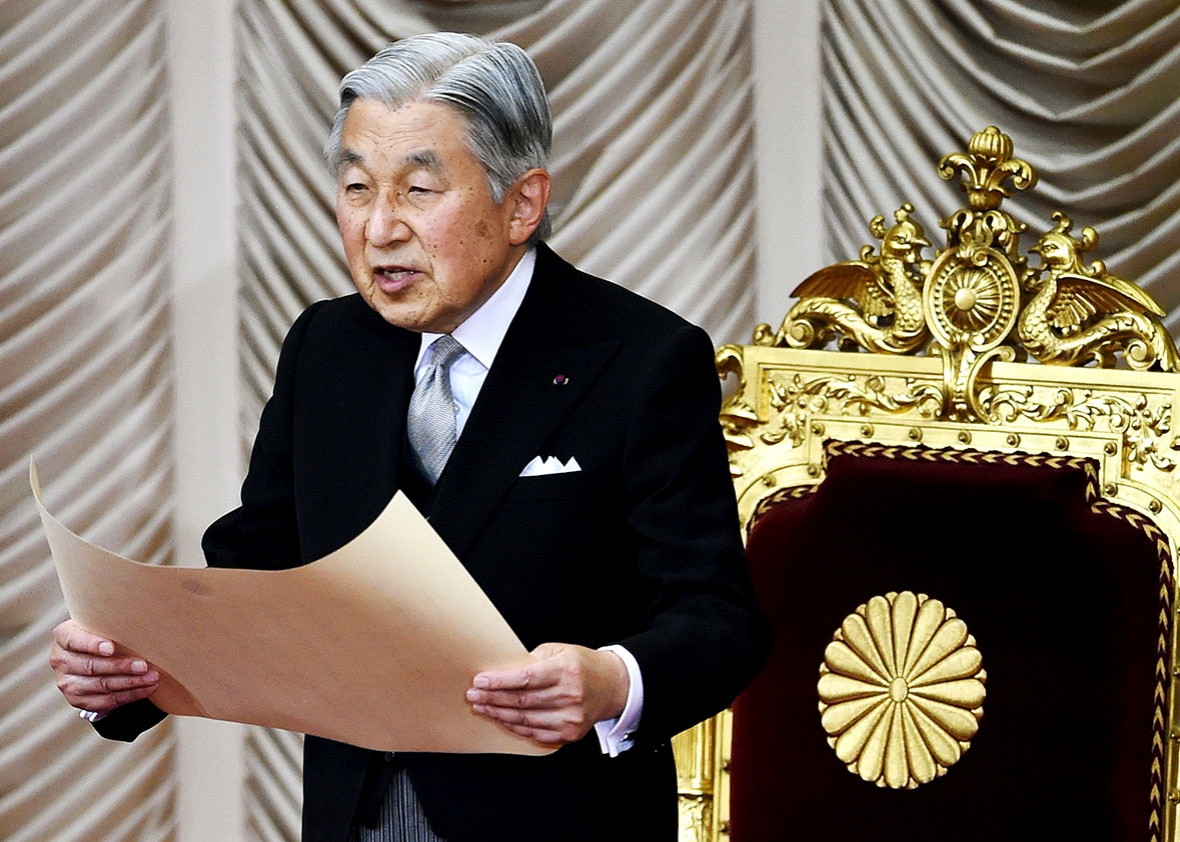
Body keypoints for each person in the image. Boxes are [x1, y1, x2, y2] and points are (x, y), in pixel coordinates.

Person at [49, 32, 771, 842]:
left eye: (419, 190)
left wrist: (609, 682)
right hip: (354, 817)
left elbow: (718, 620)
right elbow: (257, 571)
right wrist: (125, 669)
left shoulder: (641, 359)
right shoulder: (327, 348)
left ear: (522, 204)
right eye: (357, 187)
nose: (380, 227)